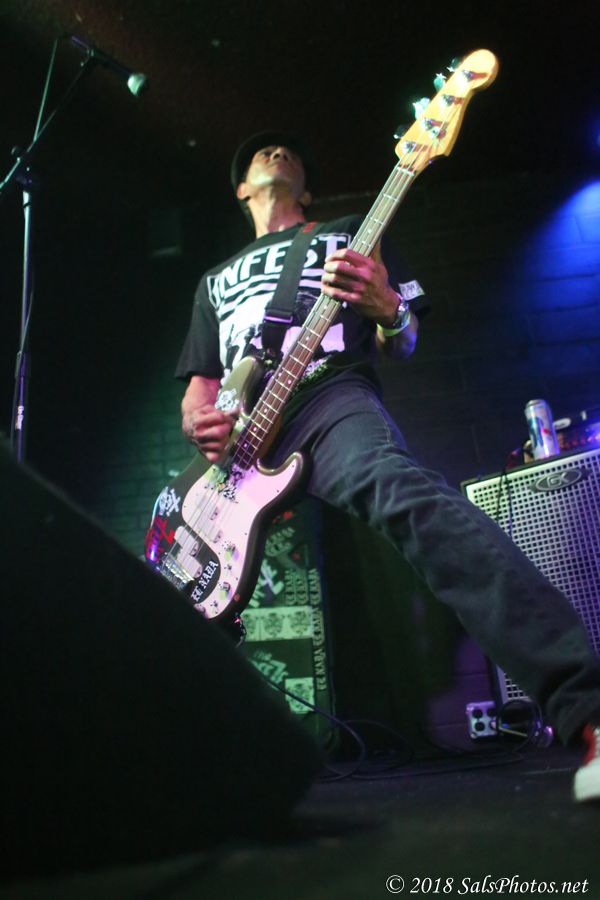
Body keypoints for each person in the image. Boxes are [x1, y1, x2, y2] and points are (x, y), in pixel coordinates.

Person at [175, 131, 600, 802]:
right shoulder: (213, 280)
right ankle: (178, 764)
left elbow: (401, 342)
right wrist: (199, 420)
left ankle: (587, 707)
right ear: (241, 189)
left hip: (327, 397)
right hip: (239, 450)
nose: (278, 151)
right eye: (261, 153)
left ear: (307, 189)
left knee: (405, 496)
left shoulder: (347, 231)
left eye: (290, 151)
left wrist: (389, 309)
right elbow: (200, 389)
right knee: (179, 590)